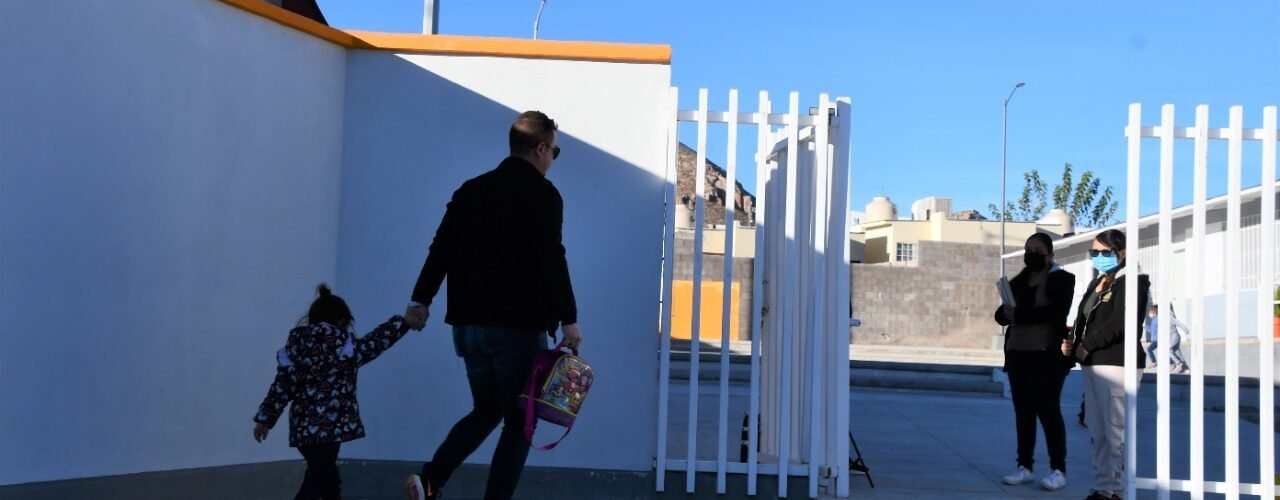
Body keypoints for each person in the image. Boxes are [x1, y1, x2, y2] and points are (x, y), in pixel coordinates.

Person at [402, 111, 584, 500]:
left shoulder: (470, 190)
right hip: (517, 327)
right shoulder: (543, 194)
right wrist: (569, 319)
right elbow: (551, 257)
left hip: (468, 327)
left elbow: (441, 249)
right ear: (540, 149)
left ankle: (429, 480)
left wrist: (420, 300)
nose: (553, 159)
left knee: (486, 410)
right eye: (554, 151)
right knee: (520, 422)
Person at [253, 284, 412, 500]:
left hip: (303, 433)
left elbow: (281, 388)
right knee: (316, 482)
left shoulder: (294, 351)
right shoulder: (346, 351)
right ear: (342, 322)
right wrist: (403, 323)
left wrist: (265, 420)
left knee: (328, 480)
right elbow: (375, 342)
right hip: (330, 431)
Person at [1064, 229, 1150, 500]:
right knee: (1097, 430)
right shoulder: (1098, 282)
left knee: (1115, 431)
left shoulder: (1133, 282)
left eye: (1105, 252)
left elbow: (1120, 322)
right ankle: (1105, 487)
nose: (1099, 257)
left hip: (1116, 363)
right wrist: (1073, 343)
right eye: (1094, 252)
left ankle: (1117, 490)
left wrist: (1087, 344)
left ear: (1122, 253)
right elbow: (1085, 320)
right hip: (1092, 363)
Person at [995, 233, 1076, 491]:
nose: (1032, 254)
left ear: (1050, 254)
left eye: (1038, 250)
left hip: (1046, 356)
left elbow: (1056, 312)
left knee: (1049, 412)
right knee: (1023, 413)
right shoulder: (1020, 280)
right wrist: (1007, 313)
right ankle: (1024, 466)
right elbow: (1001, 314)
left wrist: (1019, 314)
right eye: (1028, 249)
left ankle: (1058, 469)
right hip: (1018, 354)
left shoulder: (1062, 279)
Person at [1144, 304, 1189, 373]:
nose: (1150, 313)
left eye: (1151, 311)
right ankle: (1184, 367)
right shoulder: (1158, 318)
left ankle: (1178, 363)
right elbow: (1152, 330)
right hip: (1169, 336)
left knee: (1168, 350)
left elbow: (1178, 323)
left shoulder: (1166, 317)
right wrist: (1145, 327)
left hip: (1171, 336)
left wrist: (1186, 330)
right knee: (1176, 352)